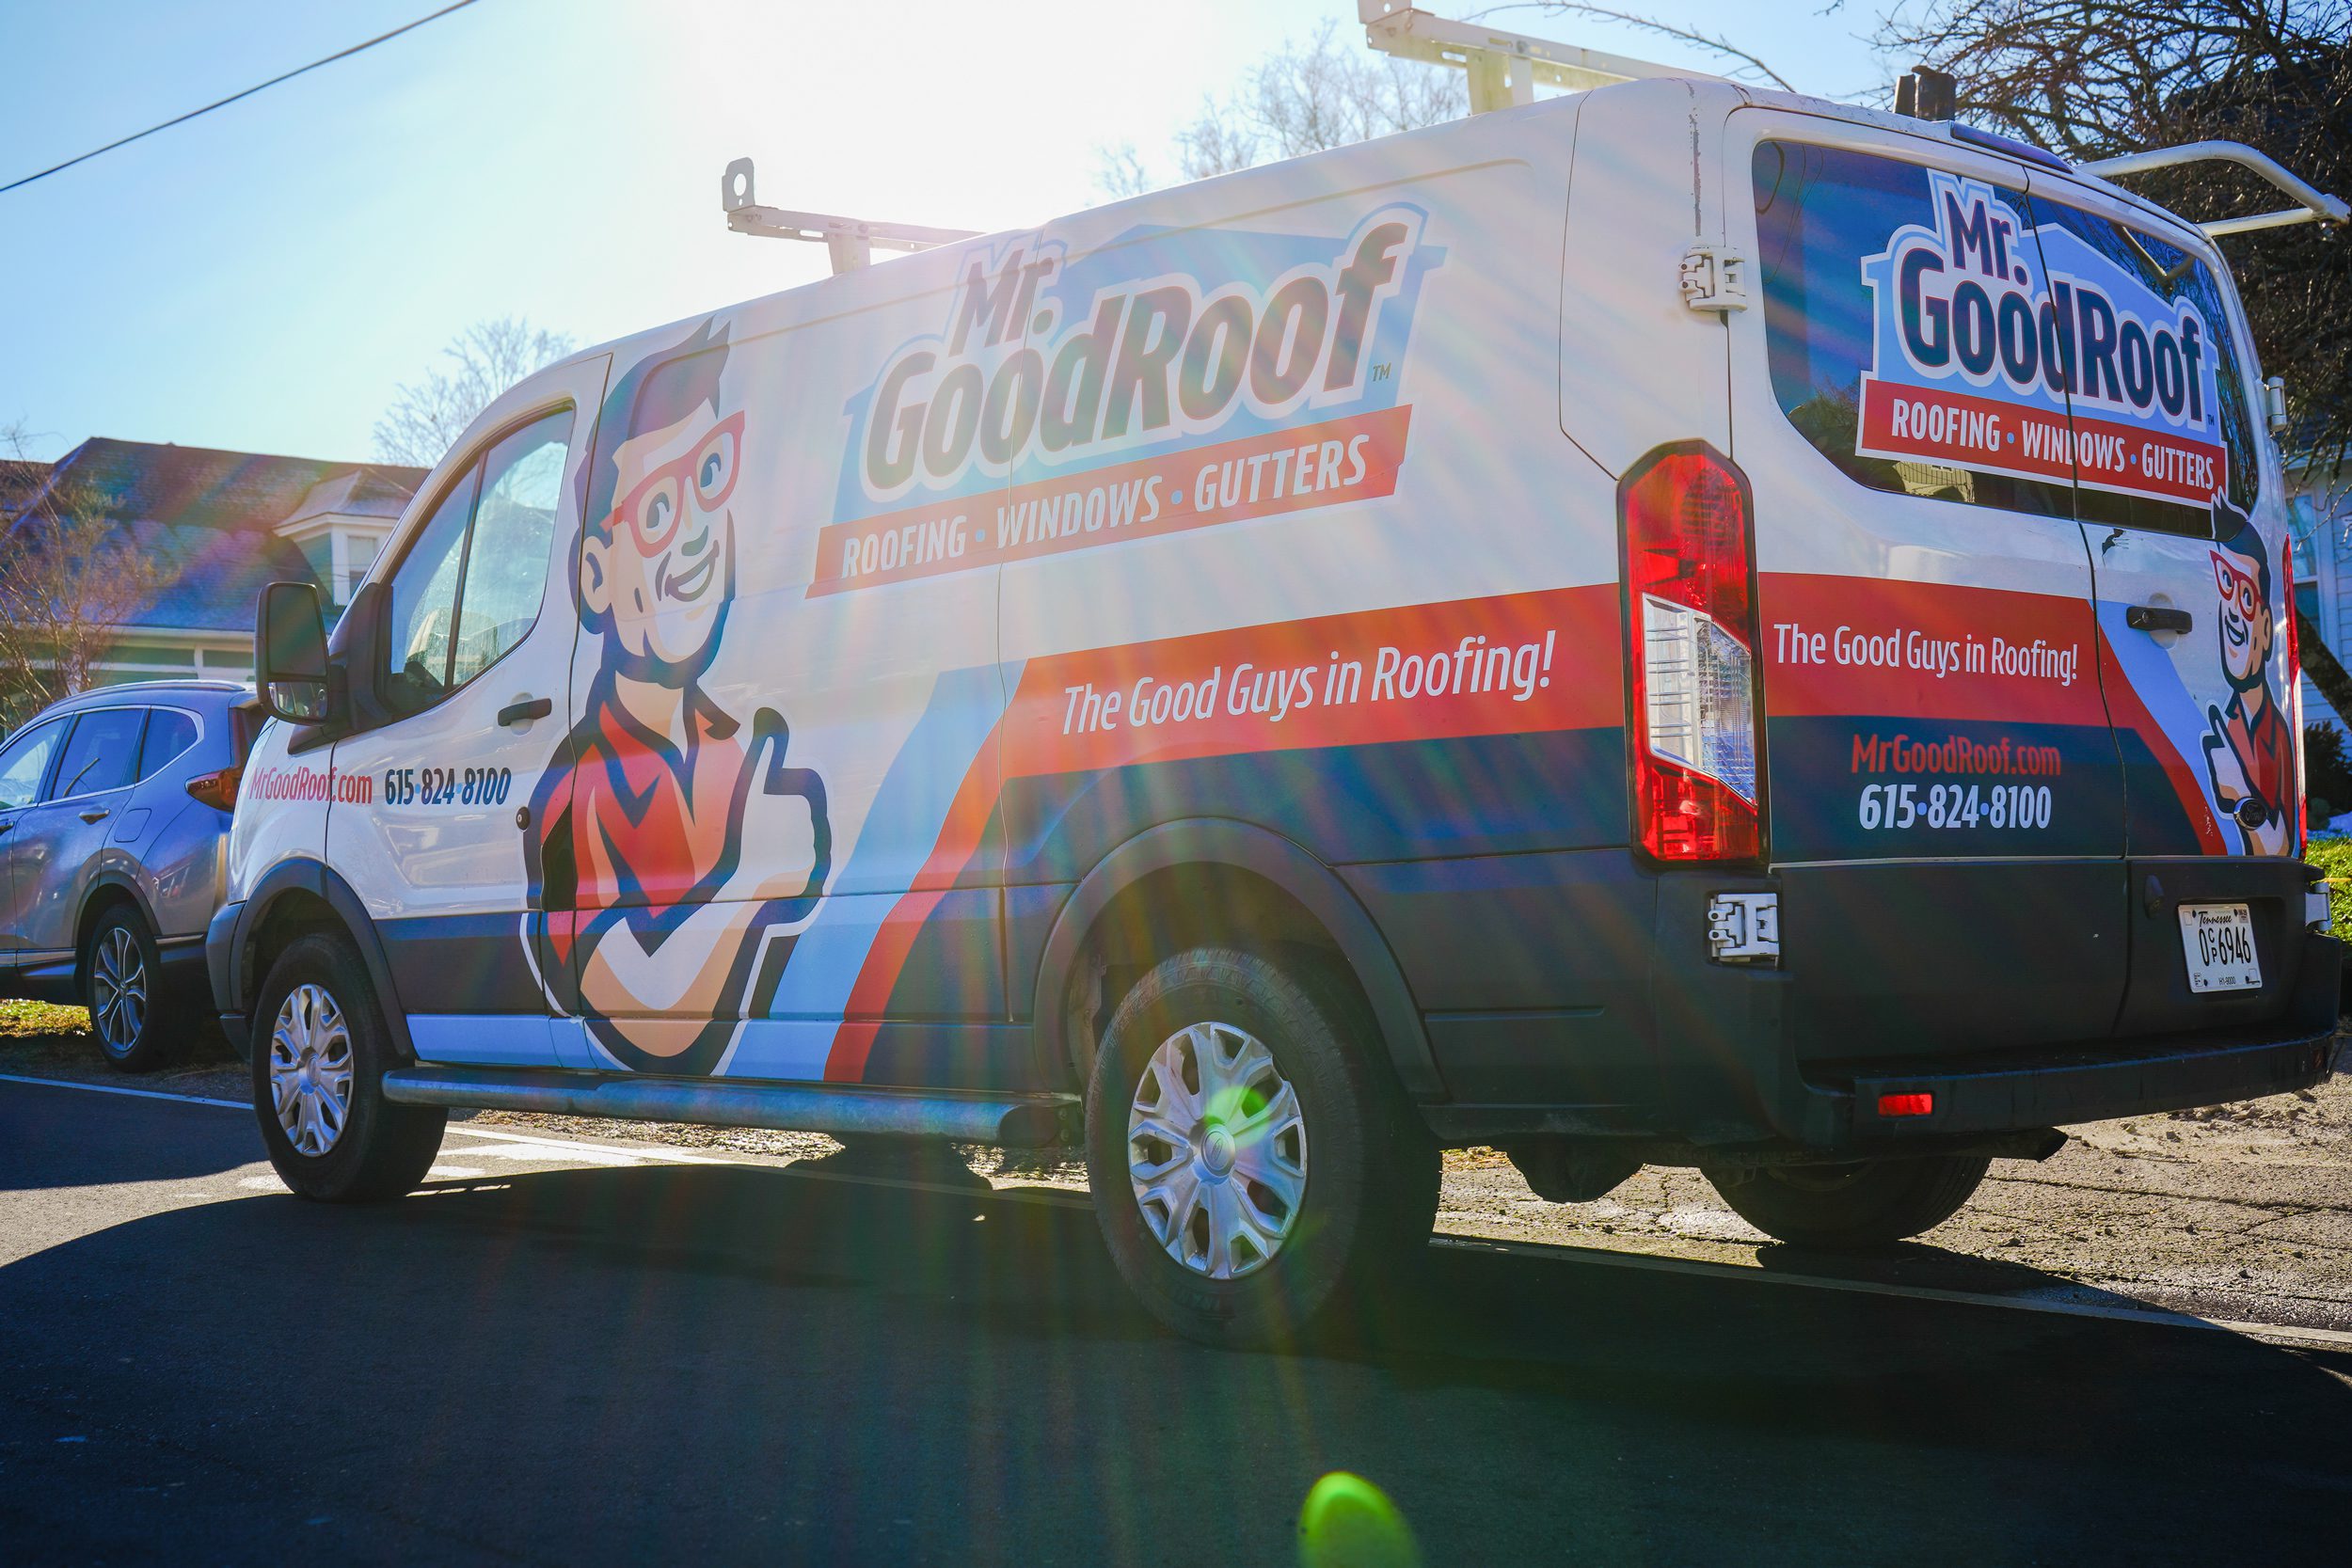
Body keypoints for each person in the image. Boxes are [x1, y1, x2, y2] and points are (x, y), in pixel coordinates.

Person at [525, 320, 831, 1073]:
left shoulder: (746, 738)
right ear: (594, 574)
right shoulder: (575, 792)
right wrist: (755, 876)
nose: (693, 533)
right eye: (659, 510)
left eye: (711, 475)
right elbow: (648, 1008)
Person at [2201, 515, 2294, 857]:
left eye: (2246, 595)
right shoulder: (2225, 722)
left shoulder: (2276, 735)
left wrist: (2238, 789)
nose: (2233, 614)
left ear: (2267, 628)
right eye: (2226, 589)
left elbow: (2280, 850)